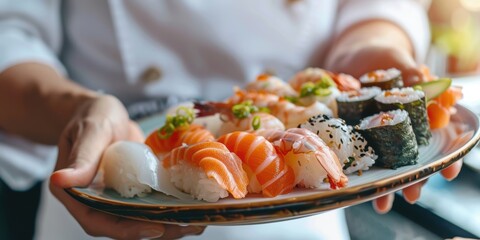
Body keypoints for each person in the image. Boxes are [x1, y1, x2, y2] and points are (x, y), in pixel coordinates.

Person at [0, 1, 463, 239]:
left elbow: (375, 7)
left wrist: (373, 55)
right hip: (116, 185)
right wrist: (79, 110)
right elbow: (9, 34)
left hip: (305, 203)